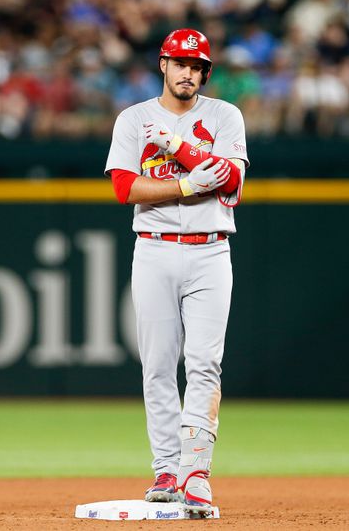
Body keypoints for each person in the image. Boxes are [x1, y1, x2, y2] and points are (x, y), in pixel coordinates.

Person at [104, 28, 248, 516]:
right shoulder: (135, 119)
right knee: (159, 364)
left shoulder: (225, 116)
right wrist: (188, 183)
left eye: (197, 65)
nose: (188, 72)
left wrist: (179, 150)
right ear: (163, 65)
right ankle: (167, 469)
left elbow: (230, 182)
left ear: (205, 72)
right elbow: (126, 187)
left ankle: (196, 473)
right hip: (154, 248)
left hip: (210, 250)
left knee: (205, 362)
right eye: (180, 63)